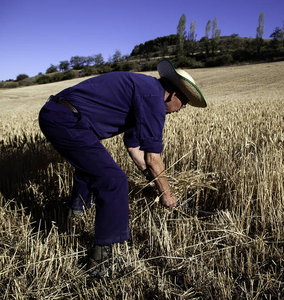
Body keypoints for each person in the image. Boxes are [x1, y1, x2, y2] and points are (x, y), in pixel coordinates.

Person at [38, 58, 207, 276]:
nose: (179, 111)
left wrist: (151, 178)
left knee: (91, 166)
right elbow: (153, 158)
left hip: (60, 115)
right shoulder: (153, 98)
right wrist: (166, 193)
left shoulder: (146, 90)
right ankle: (101, 261)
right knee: (113, 180)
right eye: (183, 105)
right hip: (66, 119)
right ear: (175, 95)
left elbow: (134, 146)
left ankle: (76, 214)